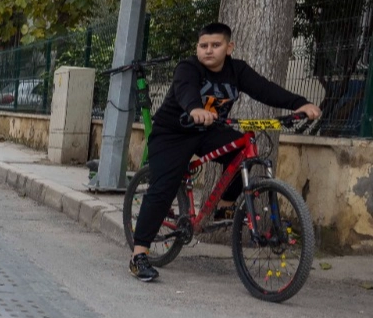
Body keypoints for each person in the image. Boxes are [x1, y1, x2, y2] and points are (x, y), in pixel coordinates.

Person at [128, 21, 320, 282]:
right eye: (203, 45)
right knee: (163, 188)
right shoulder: (188, 67)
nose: (208, 50)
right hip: (173, 133)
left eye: (215, 45)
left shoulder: (236, 70)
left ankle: (226, 206)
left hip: (209, 131)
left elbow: (266, 90)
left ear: (229, 47)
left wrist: (301, 104)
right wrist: (195, 109)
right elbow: (185, 90)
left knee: (243, 153)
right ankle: (139, 255)